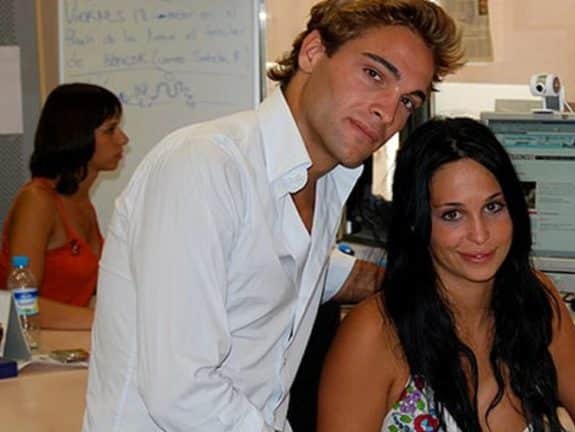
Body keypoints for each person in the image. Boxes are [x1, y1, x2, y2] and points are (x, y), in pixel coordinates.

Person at [83, 1, 463, 431]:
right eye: (374, 74)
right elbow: (180, 391)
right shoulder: (206, 166)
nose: (388, 113)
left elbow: (277, 273)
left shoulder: (324, 186)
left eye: (408, 101)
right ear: (313, 52)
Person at [317, 118, 575, 431]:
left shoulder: (533, 300)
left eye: (493, 207)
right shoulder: (373, 334)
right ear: (416, 222)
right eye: (452, 215)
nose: (480, 234)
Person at [0, 83, 128, 330]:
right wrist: (108, 321)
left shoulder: (82, 203)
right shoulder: (37, 201)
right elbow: (22, 304)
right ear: (77, 135)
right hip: (29, 346)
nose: (123, 139)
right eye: (110, 130)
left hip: (64, 343)